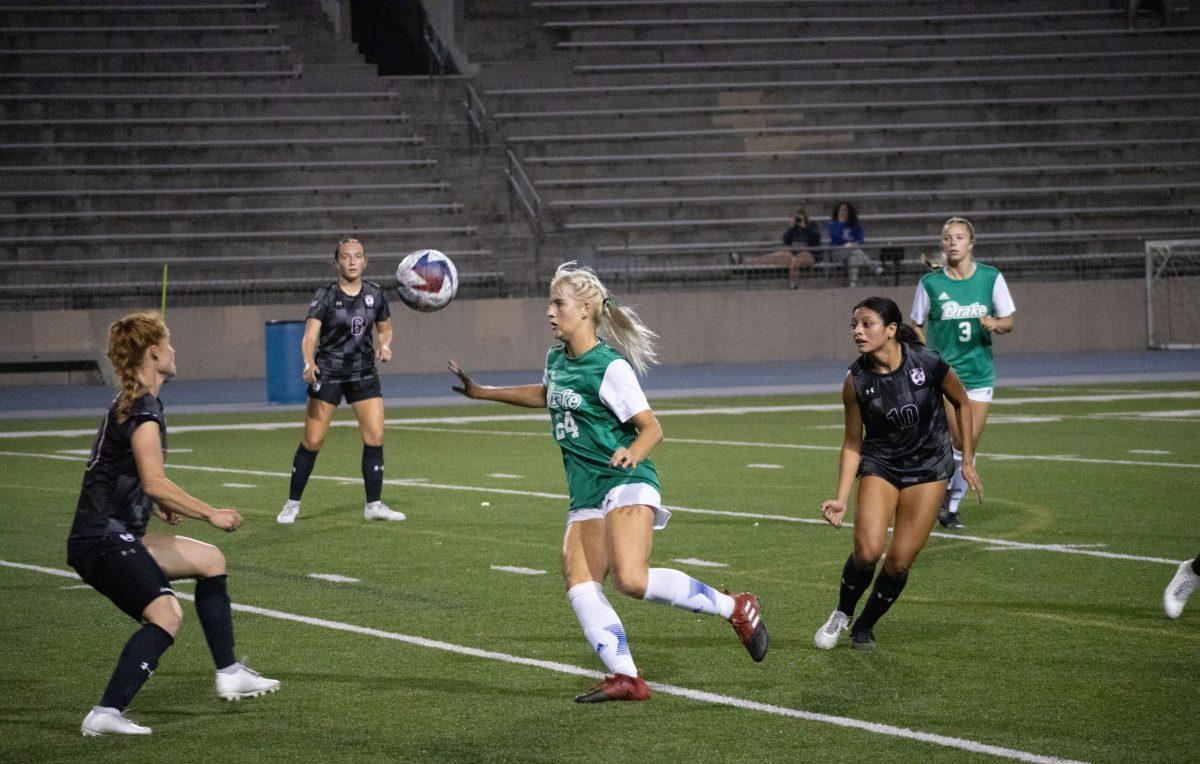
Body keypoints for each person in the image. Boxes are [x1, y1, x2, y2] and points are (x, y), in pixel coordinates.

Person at [448, 262, 769, 703]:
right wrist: (482, 392)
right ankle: (627, 677)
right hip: (586, 489)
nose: (549, 312)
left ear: (584, 310)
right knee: (579, 580)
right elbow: (547, 395)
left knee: (631, 581)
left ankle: (737, 607)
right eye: (550, 302)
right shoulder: (556, 359)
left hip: (627, 479)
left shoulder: (610, 367)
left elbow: (651, 427)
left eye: (557, 303)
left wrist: (631, 452)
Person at [67, 312, 279, 736]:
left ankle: (229, 671)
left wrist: (154, 504)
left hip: (113, 533)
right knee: (166, 615)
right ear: (154, 352)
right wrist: (210, 513)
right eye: (170, 343)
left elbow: (126, 474)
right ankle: (105, 713)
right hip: (102, 540)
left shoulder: (137, 402)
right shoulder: (143, 408)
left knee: (210, 561)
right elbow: (154, 480)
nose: (175, 350)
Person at [815, 297, 981, 650]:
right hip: (882, 465)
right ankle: (842, 613)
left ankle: (865, 626)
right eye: (854, 325)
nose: (857, 331)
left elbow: (962, 402)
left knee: (900, 560)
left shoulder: (928, 362)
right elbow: (851, 443)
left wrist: (966, 460)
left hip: (930, 468)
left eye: (867, 324)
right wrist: (841, 497)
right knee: (867, 552)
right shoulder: (855, 379)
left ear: (891, 330)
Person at [277, 237, 405, 524]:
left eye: (357, 256)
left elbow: (385, 329)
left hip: (363, 372)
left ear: (365, 261)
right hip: (330, 372)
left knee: (375, 437)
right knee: (313, 441)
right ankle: (292, 503)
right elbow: (310, 335)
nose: (352, 261)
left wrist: (384, 345)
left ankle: (373, 505)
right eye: (346, 257)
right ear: (337, 262)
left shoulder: (375, 294)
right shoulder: (325, 296)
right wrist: (309, 361)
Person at [910, 217, 1015, 529]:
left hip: (980, 374)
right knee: (956, 439)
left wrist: (996, 324)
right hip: (945, 375)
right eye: (947, 238)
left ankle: (949, 506)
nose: (952, 243)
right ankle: (941, 499)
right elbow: (916, 322)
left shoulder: (990, 277)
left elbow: (1008, 320)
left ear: (971, 243)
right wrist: (924, 349)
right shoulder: (930, 284)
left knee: (968, 445)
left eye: (958, 237)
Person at [731, 207, 820, 288]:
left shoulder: (812, 225)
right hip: (793, 252)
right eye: (794, 217)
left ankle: (793, 284)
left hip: (809, 253)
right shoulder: (794, 229)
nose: (796, 220)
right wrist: (792, 227)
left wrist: (804, 226)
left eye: (798, 217)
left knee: (795, 261)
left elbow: (816, 239)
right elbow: (785, 240)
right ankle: (743, 260)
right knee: (774, 256)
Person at [828, 201, 877, 288]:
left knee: (853, 258)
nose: (842, 212)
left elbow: (860, 240)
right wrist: (841, 223)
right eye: (840, 210)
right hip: (838, 252)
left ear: (849, 212)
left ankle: (853, 283)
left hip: (853, 250)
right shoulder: (833, 224)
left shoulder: (856, 225)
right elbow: (835, 239)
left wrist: (853, 244)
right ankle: (871, 264)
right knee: (853, 250)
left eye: (845, 210)